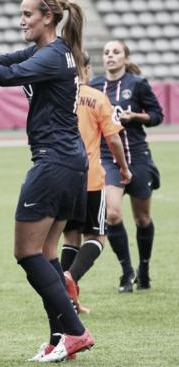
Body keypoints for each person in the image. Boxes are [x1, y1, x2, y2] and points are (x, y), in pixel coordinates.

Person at [0, 0, 94, 362]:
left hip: (53, 163)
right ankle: (59, 339)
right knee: (47, 252)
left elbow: (2, 75)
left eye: (27, 14)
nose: (22, 20)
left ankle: (76, 332)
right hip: (67, 162)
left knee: (26, 251)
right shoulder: (54, 51)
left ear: (47, 17)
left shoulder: (51, 56)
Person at [60, 52, 132, 313]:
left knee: (70, 237)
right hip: (89, 177)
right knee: (97, 236)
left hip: (62, 177)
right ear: (87, 70)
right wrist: (123, 169)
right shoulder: (97, 98)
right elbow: (113, 139)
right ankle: (70, 278)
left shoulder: (57, 96)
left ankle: (65, 298)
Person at [90, 40, 164, 293]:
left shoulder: (138, 84)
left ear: (125, 57)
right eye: (107, 52)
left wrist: (136, 117)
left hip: (138, 157)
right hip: (108, 158)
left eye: (116, 52)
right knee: (112, 214)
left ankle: (144, 269)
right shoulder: (95, 86)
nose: (110, 56)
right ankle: (126, 271)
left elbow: (157, 116)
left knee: (142, 219)